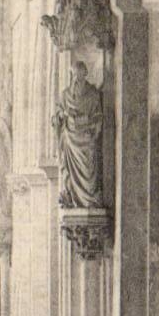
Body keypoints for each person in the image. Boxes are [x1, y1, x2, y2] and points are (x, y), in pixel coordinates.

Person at [53, 59, 103, 213]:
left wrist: (90, 125)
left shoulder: (93, 94)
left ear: (85, 74)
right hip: (70, 139)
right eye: (74, 75)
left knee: (89, 171)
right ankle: (73, 198)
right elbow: (58, 115)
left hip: (87, 139)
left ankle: (89, 199)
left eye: (79, 75)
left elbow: (98, 116)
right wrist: (63, 115)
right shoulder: (65, 95)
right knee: (70, 171)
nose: (76, 78)